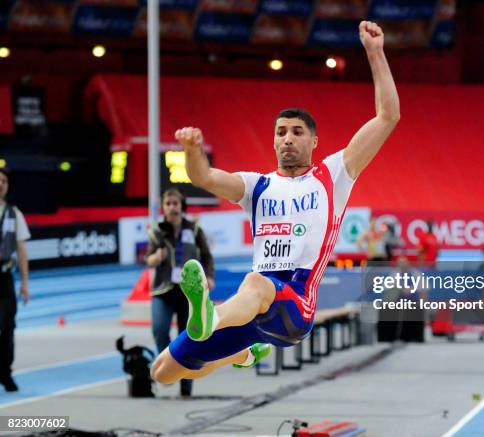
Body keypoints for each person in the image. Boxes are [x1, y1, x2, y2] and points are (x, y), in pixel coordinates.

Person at [151, 20, 400, 383]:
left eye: (297, 132)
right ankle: (247, 351)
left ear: (314, 142)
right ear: (273, 141)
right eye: (281, 132)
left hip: (295, 306)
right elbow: (202, 177)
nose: (288, 139)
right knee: (163, 372)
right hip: (251, 312)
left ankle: (209, 317)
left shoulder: (333, 175)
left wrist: (375, 53)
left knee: (254, 282)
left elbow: (388, 116)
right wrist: (191, 150)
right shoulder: (257, 186)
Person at [145, 188, 214, 396]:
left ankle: (186, 385)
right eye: (168, 204)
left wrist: (209, 277)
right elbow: (147, 258)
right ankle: (169, 365)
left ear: (181, 206)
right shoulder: (156, 231)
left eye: (176, 204)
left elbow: (207, 257)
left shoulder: (193, 230)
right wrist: (154, 258)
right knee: (159, 329)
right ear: (164, 208)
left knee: (190, 337)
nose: (172, 207)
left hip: (189, 292)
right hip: (163, 289)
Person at [0, 169, 30, 392]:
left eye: (4, 181)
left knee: (8, 326)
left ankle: (5, 373)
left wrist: (25, 283)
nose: (1, 184)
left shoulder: (14, 213)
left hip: (4, 276)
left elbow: (21, 249)